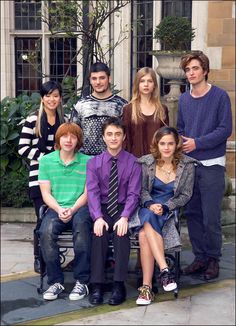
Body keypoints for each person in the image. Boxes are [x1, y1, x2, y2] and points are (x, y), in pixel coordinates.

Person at [177, 52, 232, 280]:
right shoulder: (183, 99)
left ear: (205, 71)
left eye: (195, 68)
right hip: (189, 165)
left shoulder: (220, 96)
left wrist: (197, 143)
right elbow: (180, 127)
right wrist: (181, 142)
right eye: (188, 69)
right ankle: (199, 258)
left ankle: (212, 259)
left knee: (211, 217)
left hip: (211, 165)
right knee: (192, 214)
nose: (191, 73)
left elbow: (224, 130)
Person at [136, 126, 198, 305]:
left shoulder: (187, 165)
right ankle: (164, 270)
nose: (166, 147)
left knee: (143, 234)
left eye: (170, 143)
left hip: (169, 211)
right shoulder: (146, 162)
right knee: (148, 216)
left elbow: (185, 195)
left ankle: (146, 289)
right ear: (157, 144)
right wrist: (150, 204)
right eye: (162, 143)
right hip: (146, 206)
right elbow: (140, 190)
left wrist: (166, 206)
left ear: (177, 144)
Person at [86, 117, 141, 306]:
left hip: (122, 208)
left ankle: (119, 284)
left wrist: (125, 217)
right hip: (101, 209)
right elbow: (92, 192)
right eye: (109, 134)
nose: (113, 138)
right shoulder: (94, 163)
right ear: (103, 137)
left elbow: (134, 193)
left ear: (124, 136)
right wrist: (97, 218)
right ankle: (97, 285)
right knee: (99, 234)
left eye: (117, 134)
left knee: (121, 233)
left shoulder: (134, 163)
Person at [38, 122, 92, 301]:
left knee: (82, 229)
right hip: (56, 207)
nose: (68, 140)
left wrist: (73, 208)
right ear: (58, 139)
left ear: (78, 141)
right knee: (45, 232)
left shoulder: (88, 162)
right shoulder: (46, 161)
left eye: (73, 136)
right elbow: (45, 193)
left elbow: (88, 193)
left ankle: (82, 281)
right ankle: (55, 282)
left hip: (80, 207)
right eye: (64, 136)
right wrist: (60, 209)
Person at [18, 81, 65, 273]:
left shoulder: (65, 119)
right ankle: (40, 258)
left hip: (62, 178)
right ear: (42, 98)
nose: (52, 99)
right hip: (39, 176)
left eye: (55, 96)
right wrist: (46, 158)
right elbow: (22, 148)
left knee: (59, 217)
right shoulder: (33, 120)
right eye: (48, 95)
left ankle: (54, 256)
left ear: (60, 98)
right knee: (42, 218)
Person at [71, 61, 128, 156]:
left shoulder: (122, 105)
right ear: (90, 80)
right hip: (86, 161)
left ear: (109, 79)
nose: (98, 82)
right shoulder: (81, 105)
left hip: (114, 161)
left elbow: (127, 136)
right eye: (94, 78)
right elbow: (73, 133)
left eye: (102, 78)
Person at [122, 67, 169, 158]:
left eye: (150, 81)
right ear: (137, 84)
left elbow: (166, 138)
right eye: (142, 81)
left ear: (154, 84)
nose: (146, 84)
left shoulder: (162, 109)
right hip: (135, 161)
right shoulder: (129, 109)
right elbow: (126, 140)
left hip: (157, 161)